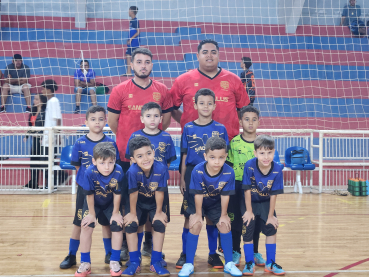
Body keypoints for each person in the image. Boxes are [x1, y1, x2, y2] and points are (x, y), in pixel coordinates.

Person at [107, 48, 172, 261]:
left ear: (151, 65)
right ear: (132, 65)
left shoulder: (162, 90)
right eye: (139, 62)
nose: (143, 65)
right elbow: (112, 122)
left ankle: (150, 244)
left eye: (147, 62)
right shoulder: (119, 90)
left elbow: (167, 120)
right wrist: (128, 142)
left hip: (153, 162)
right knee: (129, 202)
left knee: (154, 202)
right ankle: (126, 243)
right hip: (127, 160)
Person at [59, 105, 120, 269]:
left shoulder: (110, 142)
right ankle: (72, 255)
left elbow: (114, 167)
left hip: (107, 190)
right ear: (86, 122)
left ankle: (109, 254)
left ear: (105, 121)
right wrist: (85, 185)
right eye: (93, 119)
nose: (97, 122)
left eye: (101, 119)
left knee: (107, 223)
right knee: (80, 222)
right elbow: (78, 168)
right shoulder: (79, 143)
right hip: (86, 191)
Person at [176, 88, 229, 269]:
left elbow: (225, 158)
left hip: (214, 176)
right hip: (193, 176)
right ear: (195, 104)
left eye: (209, 103)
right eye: (202, 103)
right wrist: (182, 178)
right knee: (189, 215)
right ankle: (185, 253)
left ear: (214, 105)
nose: (205, 106)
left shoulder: (221, 129)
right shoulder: (188, 128)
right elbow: (184, 155)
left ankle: (213, 254)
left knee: (212, 217)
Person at [178, 137, 242, 277]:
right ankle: (189, 263)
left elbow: (226, 196)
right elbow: (198, 194)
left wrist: (224, 214)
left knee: (224, 224)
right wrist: (198, 214)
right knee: (195, 224)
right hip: (199, 202)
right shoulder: (197, 171)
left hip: (216, 203)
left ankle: (229, 264)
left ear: (226, 157)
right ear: (205, 156)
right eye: (212, 157)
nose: (217, 161)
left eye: (221, 157)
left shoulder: (229, 172)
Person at [125, 102, 176, 262]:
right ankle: (136, 253)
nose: (152, 119)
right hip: (140, 186)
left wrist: (157, 175)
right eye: (148, 116)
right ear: (142, 118)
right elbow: (131, 162)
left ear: (161, 118)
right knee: (138, 219)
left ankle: (151, 248)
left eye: (156, 116)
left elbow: (167, 163)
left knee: (157, 218)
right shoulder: (135, 136)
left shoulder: (166, 137)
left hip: (158, 185)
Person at [170, 39, 250, 142]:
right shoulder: (182, 80)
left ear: (218, 55)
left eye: (213, 52)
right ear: (197, 56)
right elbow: (172, 108)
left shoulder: (234, 80)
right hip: (193, 140)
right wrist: (188, 123)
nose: (209, 55)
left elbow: (243, 110)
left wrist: (231, 124)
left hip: (228, 141)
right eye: (205, 52)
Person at [75, 142, 124, 277]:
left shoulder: (119, 171)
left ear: (115, 160)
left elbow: (117, 193)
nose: (107, 167)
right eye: (102, 163)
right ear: (94, 161)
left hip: (110, 203)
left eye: (111, 162)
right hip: (93, 204)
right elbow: (89, 194)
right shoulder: (89, 172)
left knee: (117, 225)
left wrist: (115, 213)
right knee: (86, 226)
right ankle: (85, 262)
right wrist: (91, 214)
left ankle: (114, 261)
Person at [123, 136, 170, 276]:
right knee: (131, 224)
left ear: (153, 152)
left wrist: (159, 212)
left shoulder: (161, 168)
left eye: (148, 153)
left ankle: (155, 262)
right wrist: (132, 213)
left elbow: (160, 192)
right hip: (137, 201)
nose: (146, 158)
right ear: (133, 159)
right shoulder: (132, 171)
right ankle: (134, 262)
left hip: (156, 202)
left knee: (159, 223)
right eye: (140, 156)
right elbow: (133, 193)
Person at [225, 105, 265, 267]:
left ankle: (254, 251)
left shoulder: (263, 143)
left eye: (254, 120)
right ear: (240, 121)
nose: (250, 123)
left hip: (257, 188)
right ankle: (235, 251)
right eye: (246, 119)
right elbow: (228, 167)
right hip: (237, 186)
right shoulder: (234, 142)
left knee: (253, 221)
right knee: (235, 221)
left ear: (259, 122)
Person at [241, 135, 285, 276]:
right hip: (250, 202)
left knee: (272, 227)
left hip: (266, 202)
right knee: (248, 226)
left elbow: (274, 194)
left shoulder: (278, 168)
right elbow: (247, 189)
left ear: (274, 152)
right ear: (255, 153)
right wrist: (248, 211)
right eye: (262, 153)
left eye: (269, 152)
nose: (266, 157)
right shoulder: (249, 165)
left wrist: (271, 215)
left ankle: (270, 263)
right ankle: (249, 263)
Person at [40, 79, 65, 189]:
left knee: (48, 161)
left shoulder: (53, 101)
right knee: (47, 161)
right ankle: (50, 183)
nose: (41, 91)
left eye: (43, 88)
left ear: (49, 89)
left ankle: (53, 183)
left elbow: (58, 119)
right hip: (48, 137)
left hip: (52, 137)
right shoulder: (50, 101)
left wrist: (58, 135)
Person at [23, 94, 48, 189]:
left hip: (42, 139)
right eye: (34, 99)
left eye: (37, 99)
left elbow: (46, 126)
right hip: (35, 139)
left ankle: (48, 183)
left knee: (43, 161)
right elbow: (31, 126)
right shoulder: (33, 112)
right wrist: (27, 135)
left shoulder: (45, 112)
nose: (34, 101)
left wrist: (43, 137)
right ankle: (33, 182)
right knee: (33, 161)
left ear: (42, 101)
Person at [122, 6, 140, 77]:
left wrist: (131, 39)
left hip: (134, 43)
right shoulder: (132, 20)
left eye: (129, 10)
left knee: (131, 56)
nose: (128, 12)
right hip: (131, 42)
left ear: (132, 11)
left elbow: (138, 32)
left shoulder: (135, 20)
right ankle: (129, 72)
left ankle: (134, 72)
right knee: (128, 55)